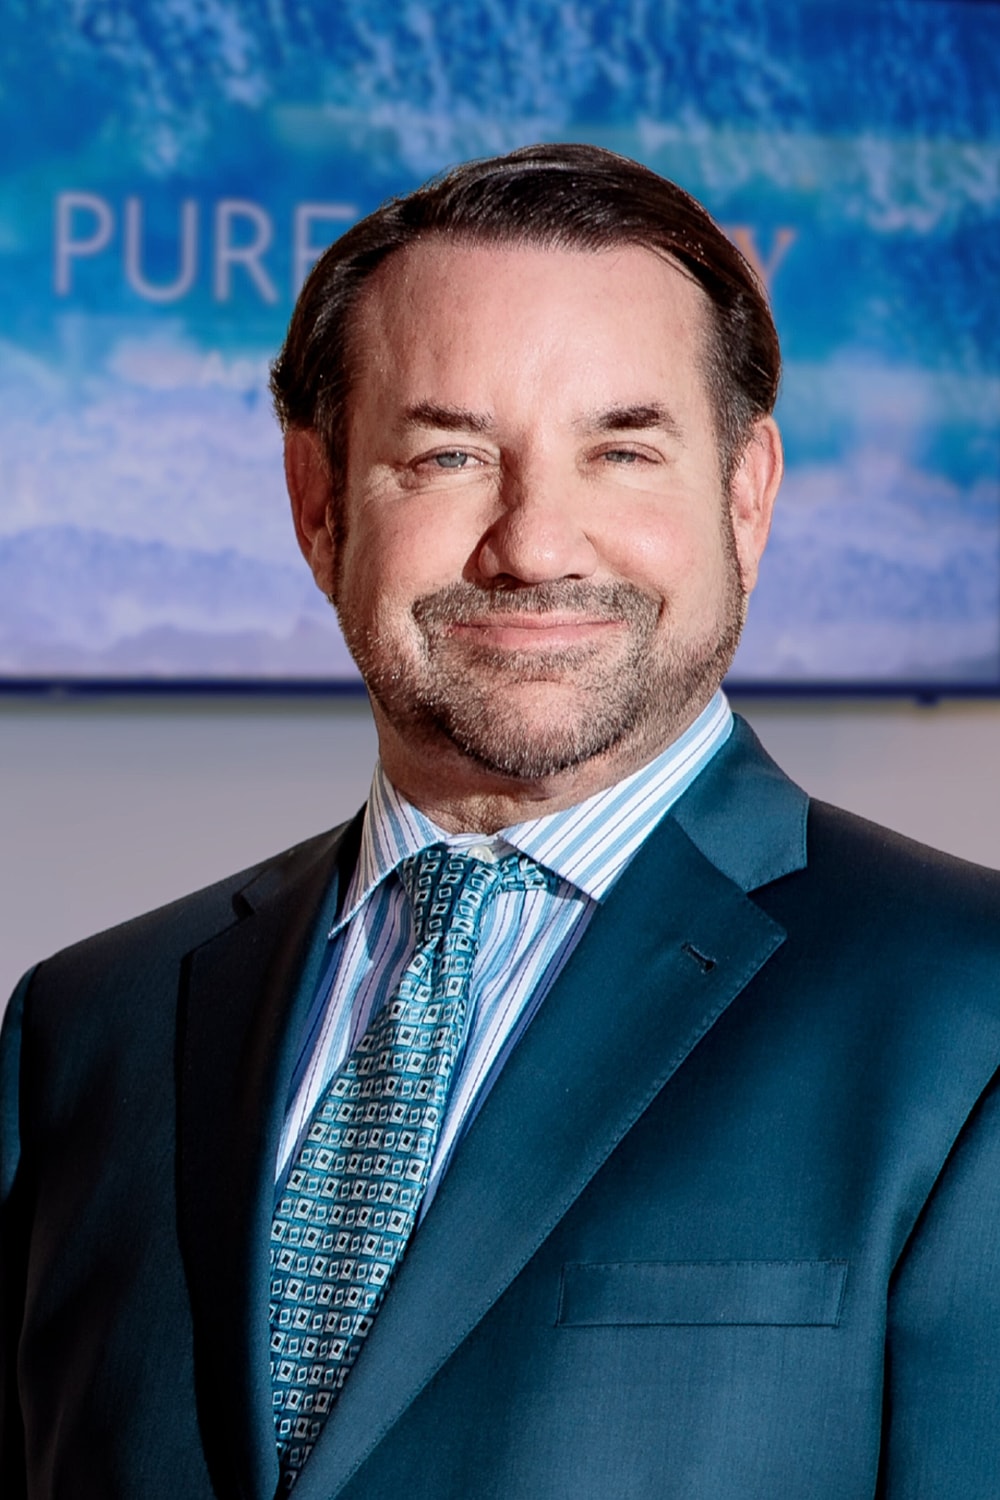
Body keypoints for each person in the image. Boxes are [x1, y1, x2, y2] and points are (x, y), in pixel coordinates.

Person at [3, 143, 1000, 1500]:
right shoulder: (87, 1026)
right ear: (317, 502)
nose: (535, 545)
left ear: (747, 497)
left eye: (624, 449)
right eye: (450, 452)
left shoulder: (967, 1013)